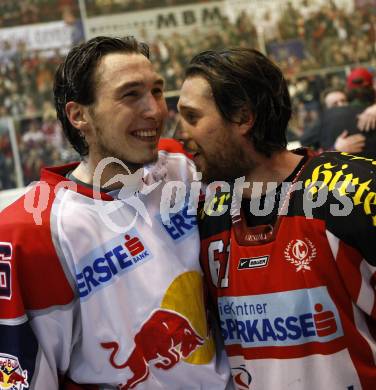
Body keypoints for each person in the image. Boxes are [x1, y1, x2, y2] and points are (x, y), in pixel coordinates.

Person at [0, 36, 231, 389]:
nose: (155, 110)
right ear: (79, 115)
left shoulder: (182, 166)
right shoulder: (34, 231)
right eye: (130, 95)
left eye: (156, 90)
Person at [177, 47, 376, 389]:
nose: (180, 134)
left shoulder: (356, 191)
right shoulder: (205, 216)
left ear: (242, 117)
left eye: (192, 117)